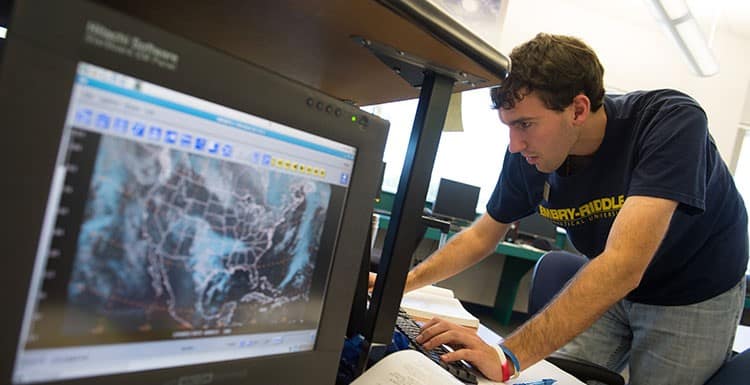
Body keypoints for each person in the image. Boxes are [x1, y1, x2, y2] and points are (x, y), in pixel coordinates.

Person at [371, 33, 748, 384]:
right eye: (508, 127)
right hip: (612, 288)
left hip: (693, 290)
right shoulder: (529, 157)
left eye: (525, 125)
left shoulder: (667, 121)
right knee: (551, 377)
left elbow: (624, 264)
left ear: (579, 110)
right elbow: (482, 235)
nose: (516, 145)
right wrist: (397, 285)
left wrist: (507, 357)